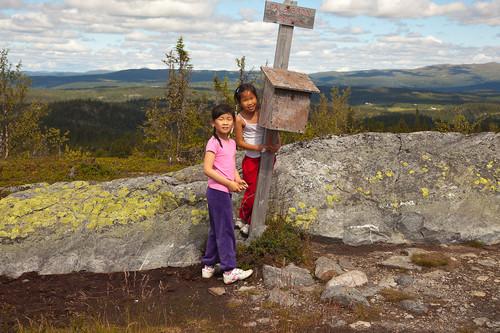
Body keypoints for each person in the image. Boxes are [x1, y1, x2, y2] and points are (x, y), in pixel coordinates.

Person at [201, 104, 253, 284]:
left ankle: (208, 266)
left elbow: (229, 165)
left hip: (223, 190)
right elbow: (207, 169)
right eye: (220, 119)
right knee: (226, 230)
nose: (225, 123)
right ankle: (229, 269)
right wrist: (229, 184)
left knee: (217, 229)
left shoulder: (230, 143)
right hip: (217, 191)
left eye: (228, 119)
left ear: (233, 121)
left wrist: (237, 180)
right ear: (213, 122)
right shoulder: (213, 142)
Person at [234, 83, 281, 236]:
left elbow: (274, 127)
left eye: (252, 98)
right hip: (251, 160)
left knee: (263, 189)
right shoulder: (239, 118)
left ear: (257, 97)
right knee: (252, 190)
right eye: (245, 100)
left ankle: (250, 222)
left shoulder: (263, 112)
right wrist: (257, 148)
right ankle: (243, 216)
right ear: (240, 103)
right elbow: (239, 142)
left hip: (267, 158)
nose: (250, 102)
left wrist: (277, 143)